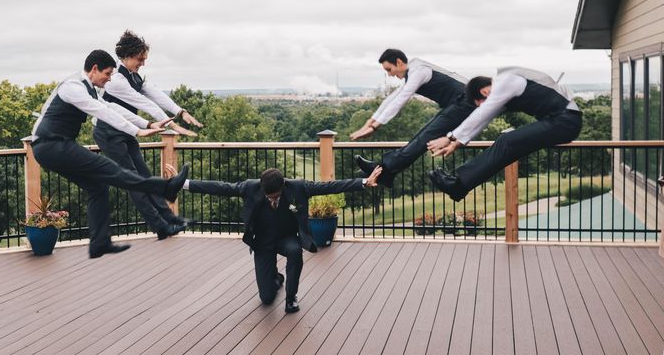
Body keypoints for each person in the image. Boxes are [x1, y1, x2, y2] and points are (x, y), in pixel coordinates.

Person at [30, 49, 189, 258]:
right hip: (50, 145)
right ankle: (165, 188)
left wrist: (146, 123)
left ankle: (99, 243)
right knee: (112, 170)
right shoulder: (73, 87)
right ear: (94, 69)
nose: (108, 79)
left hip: (56, 147)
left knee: (97, 187)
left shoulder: (90, 89)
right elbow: (101, 112)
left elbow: (111, 107)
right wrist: (137, 131)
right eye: (107, 74)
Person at [182, 165, 382, 313]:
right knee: (266, 298)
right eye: (269, 197)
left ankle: (291, 297)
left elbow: (329, 186)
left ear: (283, 186)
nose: (273, 200)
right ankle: (276, 279)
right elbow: (220, 187)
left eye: (276, 196)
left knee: (295, 251)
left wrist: (364, 182)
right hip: (262, 242)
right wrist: (182, 183)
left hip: (286, 238)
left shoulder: (298, 188)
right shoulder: (250, 188)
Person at [94, 30, 203, 240]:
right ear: (127, 55)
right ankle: (160, 226)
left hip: (125, 130)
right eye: (140, 59)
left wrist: (180, 111)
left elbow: (155, 94)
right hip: (108, 132)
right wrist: (173, 125)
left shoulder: (135, 76)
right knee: (133, 181)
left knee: (143, 177)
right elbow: (142, 103)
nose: (143, 63)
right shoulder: (116, 80)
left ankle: (170, 219)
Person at [427, 66, 582, 201]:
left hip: (566, 121)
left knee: (507, 141)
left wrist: (449, 137)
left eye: (479, 102)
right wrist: (456, 143)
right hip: (560, 121)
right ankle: (459, 184)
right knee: (507, 142)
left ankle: (458, 185)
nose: (482, 105)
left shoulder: (507, 81)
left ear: (484, 91)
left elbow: (483, 113)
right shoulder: (506, 87)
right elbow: (484, 119)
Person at [350, 48, 475, 188]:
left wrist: (375, 126)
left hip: (465, 102)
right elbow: (393, 97)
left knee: (424, 137)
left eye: (389, 69)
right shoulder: (414, 71)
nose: (389, 74)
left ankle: (383, 171)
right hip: (457, 104)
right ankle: (385, 172)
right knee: (420, 137)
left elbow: (401, 99)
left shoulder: (418, 71)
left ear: (398, 62)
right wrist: (370, 121)